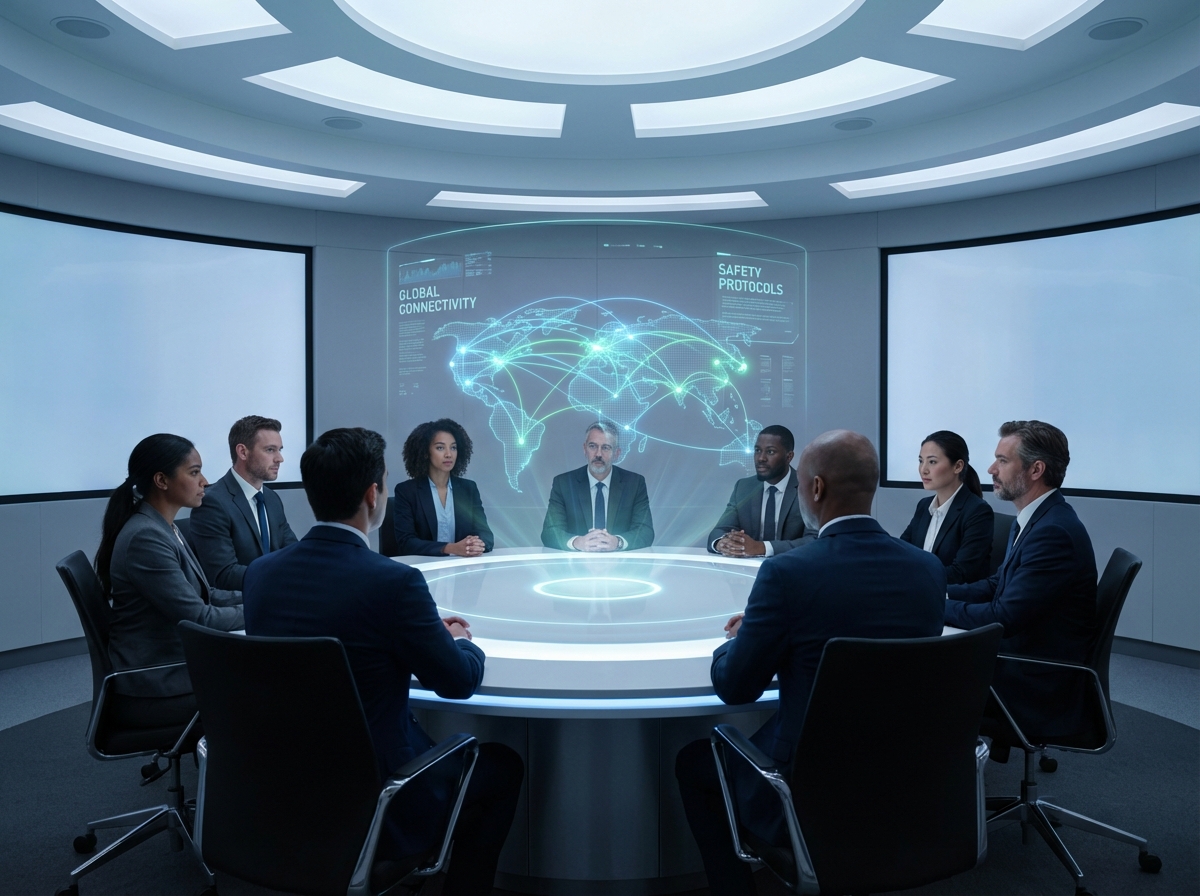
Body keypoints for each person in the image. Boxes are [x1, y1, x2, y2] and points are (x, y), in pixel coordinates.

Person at [242, 428, 522, 893]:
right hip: (379, 795)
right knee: (503, 767)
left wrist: (418, 628)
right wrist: (458, 640)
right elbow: (458, 682)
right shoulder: (394, 584)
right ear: (373, 495)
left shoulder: (260, 574)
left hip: (282, 787)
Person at [676, 430, 946, 895]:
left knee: (694, 762)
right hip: (905, 778)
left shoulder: (787, 574)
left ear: (816, 488)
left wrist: (739, 639)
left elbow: (735, 686)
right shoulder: (927, 569)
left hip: (806, 784)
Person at [945, 421, 1097, 753]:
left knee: (917, 676)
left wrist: (934, 606)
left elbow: (1003, 616)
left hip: (1034, 684)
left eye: (1002, 460)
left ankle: (942, 781)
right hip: (1021, 662)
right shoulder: (1038, 518)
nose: (991, 469)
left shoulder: (1053, 533)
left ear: (1036, 470)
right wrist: (940, 592)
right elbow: (998, 584)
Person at [97, 434, 243, 727]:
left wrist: (260, 596)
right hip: (157, 683)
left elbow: (205, 594)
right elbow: (199, 617)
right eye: (194, 472)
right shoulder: (146, 537)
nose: (205, 482)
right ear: (162, 480)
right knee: (268, 689)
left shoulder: (163, 527)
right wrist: (264, 609)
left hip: (172, 666)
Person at [188, 415, 299, 589]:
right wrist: (280, 578)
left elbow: (293, 553)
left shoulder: (271, 498)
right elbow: (223, 575)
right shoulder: (212, 502)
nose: (279, 458)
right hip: (243, 601)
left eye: (280, 450)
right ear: (243, 452)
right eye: (270, 450)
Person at [541, 420, 654, 551]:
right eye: (593, 446)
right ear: (585, 449)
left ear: (617, 453)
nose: (598, 454)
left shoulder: (634, 484)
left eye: (606, 447)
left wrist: (617, 542)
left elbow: (645, 531)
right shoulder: (564, 484)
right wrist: (578, 542)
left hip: (620, 561)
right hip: (576, 562)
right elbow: (550, 532)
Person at [898, 430, 994, 583]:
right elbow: (902, 552)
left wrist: (914, 579)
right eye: (921, 461)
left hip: (951, 595)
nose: (923, 469)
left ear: (958, 466)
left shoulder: (978, 511)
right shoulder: (924, 506)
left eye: (932, 462)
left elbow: (961, 573)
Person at [708, 424, 816, 557]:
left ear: (789, 457)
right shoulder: (743, 487)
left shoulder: (808, 488)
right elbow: (720, 530)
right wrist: (722, 543)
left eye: (770, 452)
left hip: (792, 566)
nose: (761, 458)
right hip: (747, 568)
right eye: (758, 450)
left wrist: (762, 548)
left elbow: (814, 540)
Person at [392, 418, 494, 557]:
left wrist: (475, 544)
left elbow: (486, 535)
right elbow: (406, 543)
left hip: (463, 565)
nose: (448, 454)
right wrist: (450, 548)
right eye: (440, 448)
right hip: (424, 566)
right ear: (425, 452)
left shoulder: (468, 488)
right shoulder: (406, 491)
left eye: (453, 447)